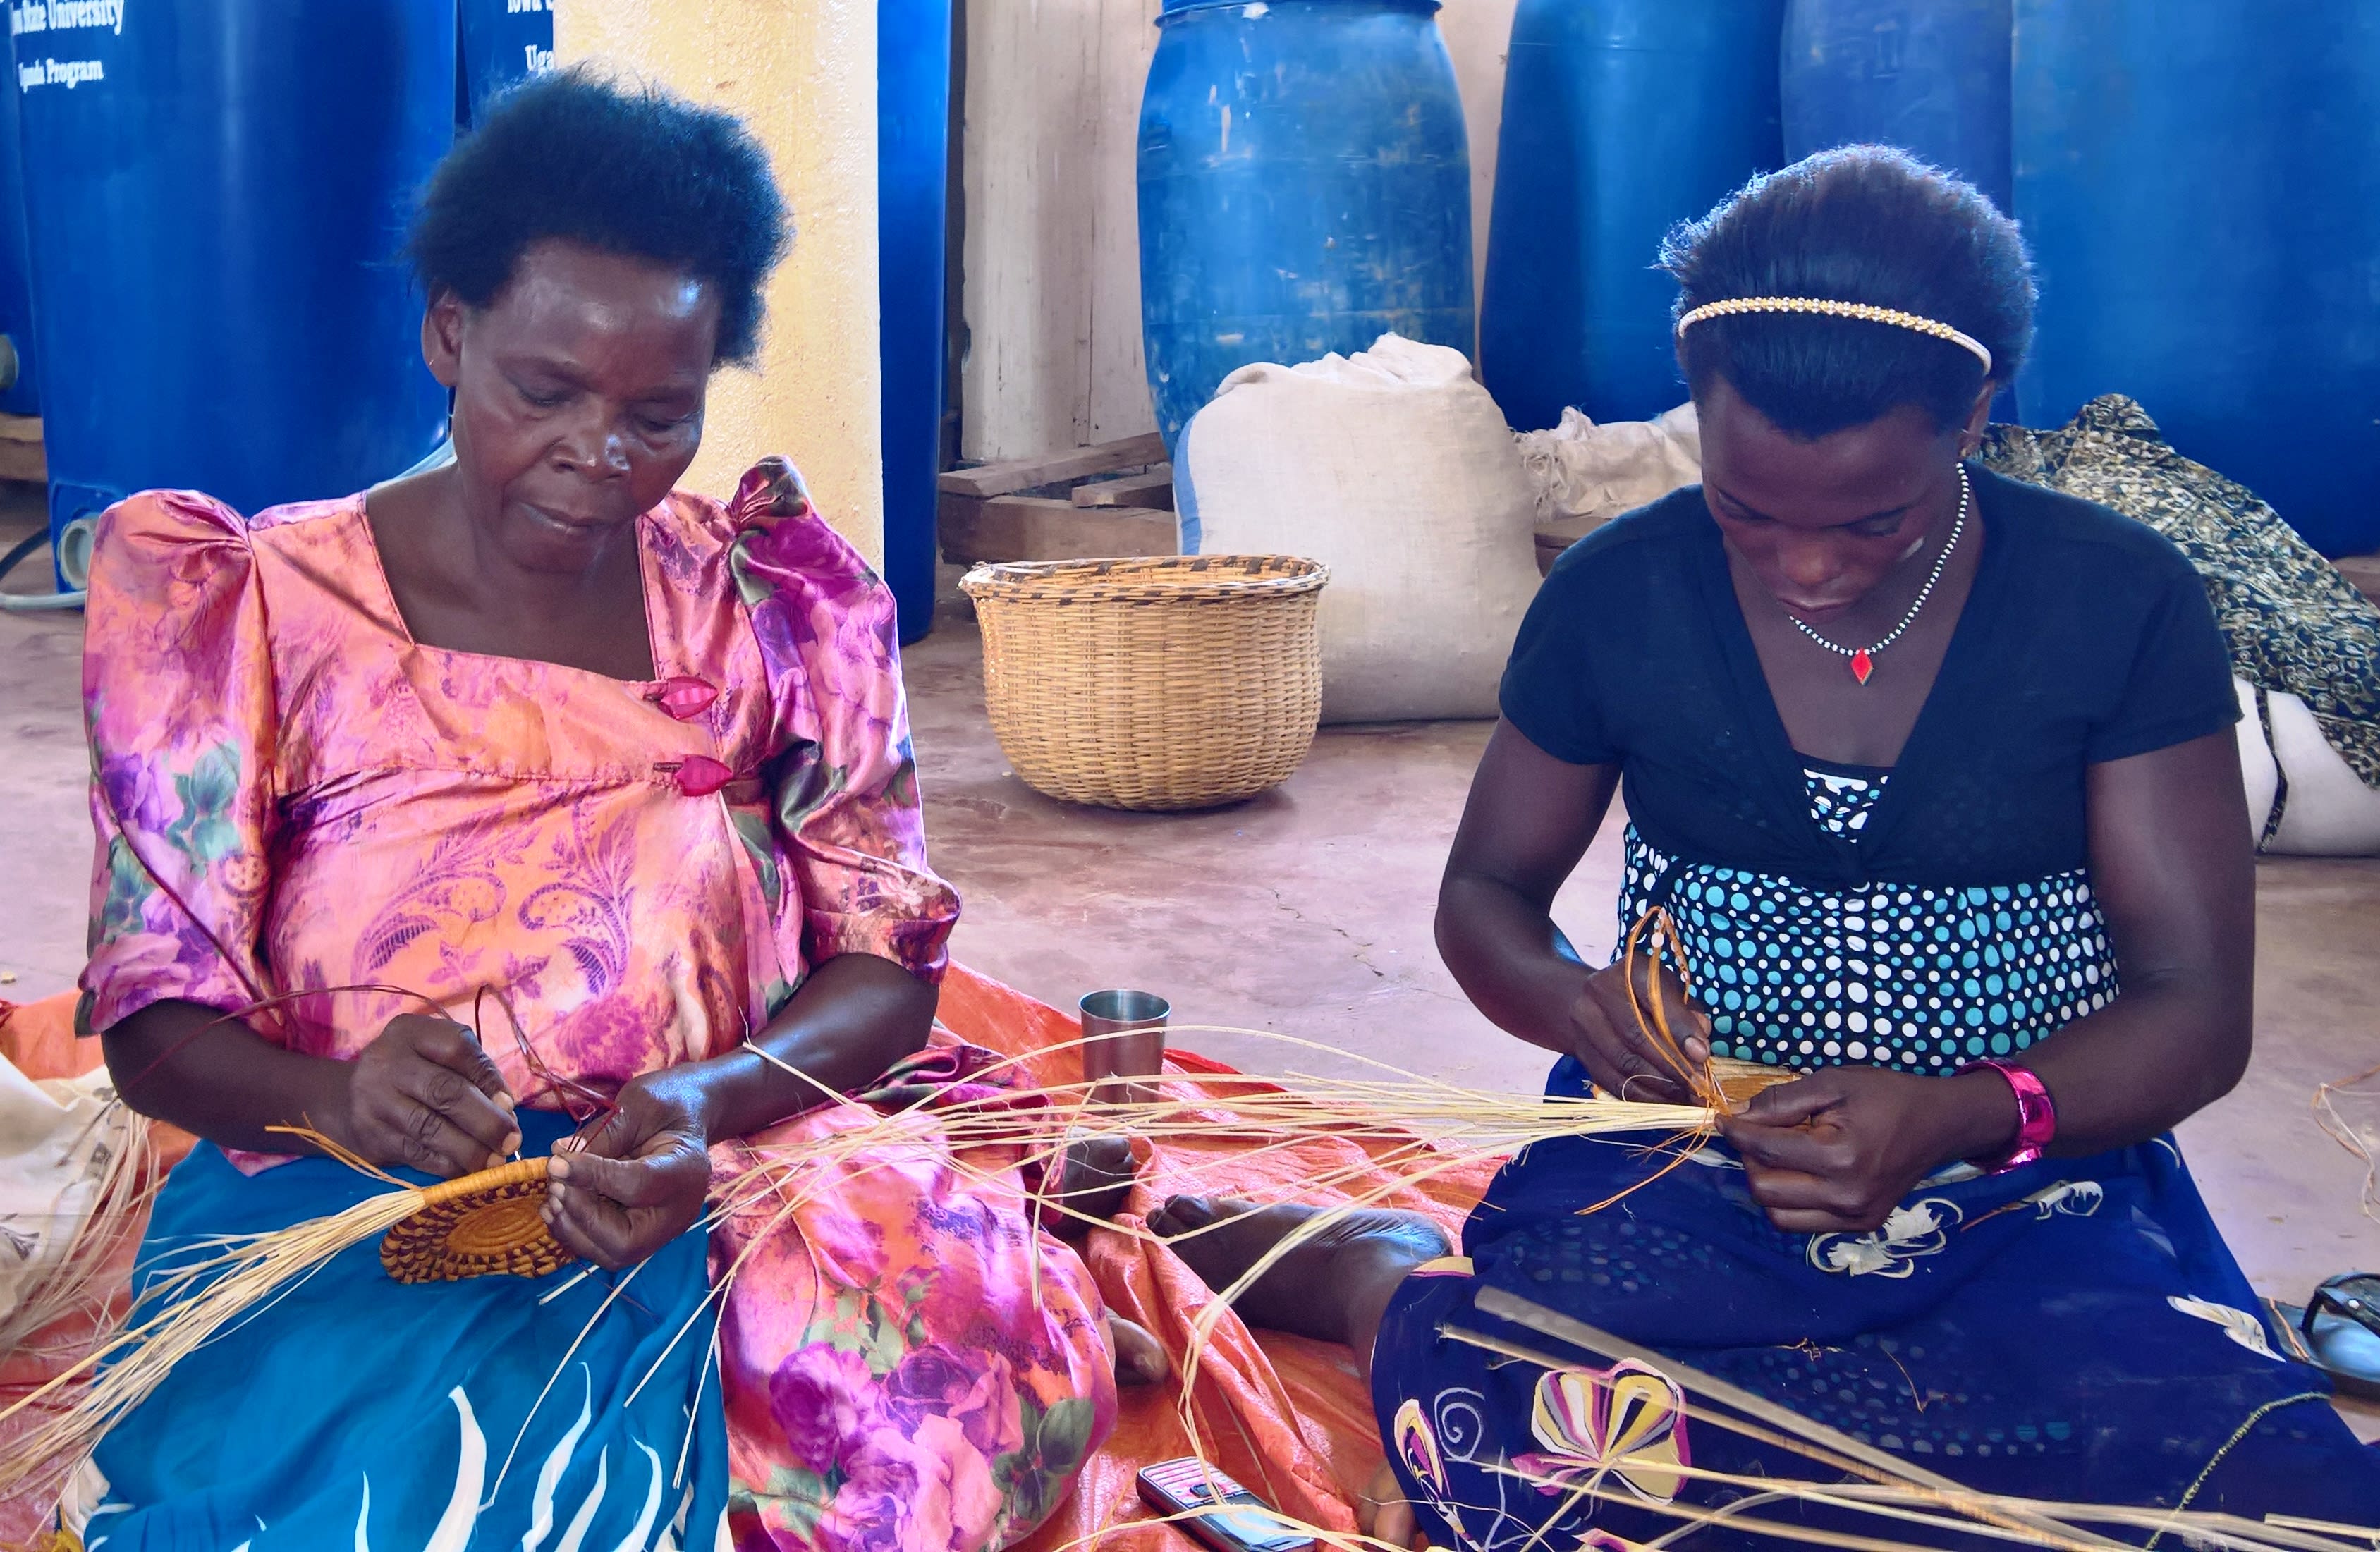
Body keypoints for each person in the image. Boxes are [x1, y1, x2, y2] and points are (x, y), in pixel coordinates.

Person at [1154, 147, 2380, 1539]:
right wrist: (1570, 999)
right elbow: (1488, 893)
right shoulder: (1619, 596)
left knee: (2247, 1493)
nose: (1804, 564)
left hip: (2025, 1176)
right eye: (1746, 511)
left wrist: (1967, 1111)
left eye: (1872, 519)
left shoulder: (2111, 604)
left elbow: (2191, 1014)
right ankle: (1385, 1279)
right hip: (1683, 1153)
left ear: (1974, 415)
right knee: (1568, 1443)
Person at [73, 70, 1142, 1552]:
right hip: (348, 1215)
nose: (602, 453)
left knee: (944, 1417)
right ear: (450, 334)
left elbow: (884, 971)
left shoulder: (774, 602)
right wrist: (332, 1100)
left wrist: (699, 1105)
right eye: (543, 391)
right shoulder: (251, 605)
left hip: (727, 1180)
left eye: (658, 413)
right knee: (389, 1502)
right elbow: (150, 1029)